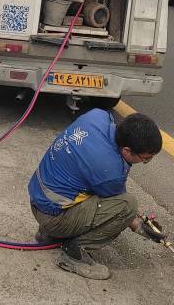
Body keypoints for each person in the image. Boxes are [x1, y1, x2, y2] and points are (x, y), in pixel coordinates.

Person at [28, 109, 161, 280]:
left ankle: (48, 234)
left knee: (84, 187)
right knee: (128, 206)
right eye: (145, 158)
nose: (145, 162)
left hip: (39, 197)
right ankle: (74, 254)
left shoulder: (97, 115)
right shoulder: (109, 170)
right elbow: (119, 205)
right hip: (52, 217)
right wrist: (139, 226)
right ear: (127, 151)